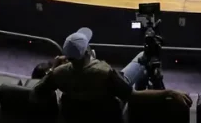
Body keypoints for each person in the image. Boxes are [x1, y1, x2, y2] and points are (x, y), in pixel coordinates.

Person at [33, 27, 192, 121]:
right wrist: (168, 92)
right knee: (142, 58)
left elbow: (36, 93)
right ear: (88, 50)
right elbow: (133, 96)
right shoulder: (105, 73)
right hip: (110, 109)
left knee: (142, 66)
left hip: (80, 116)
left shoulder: (58, 74)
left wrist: (55, 68)